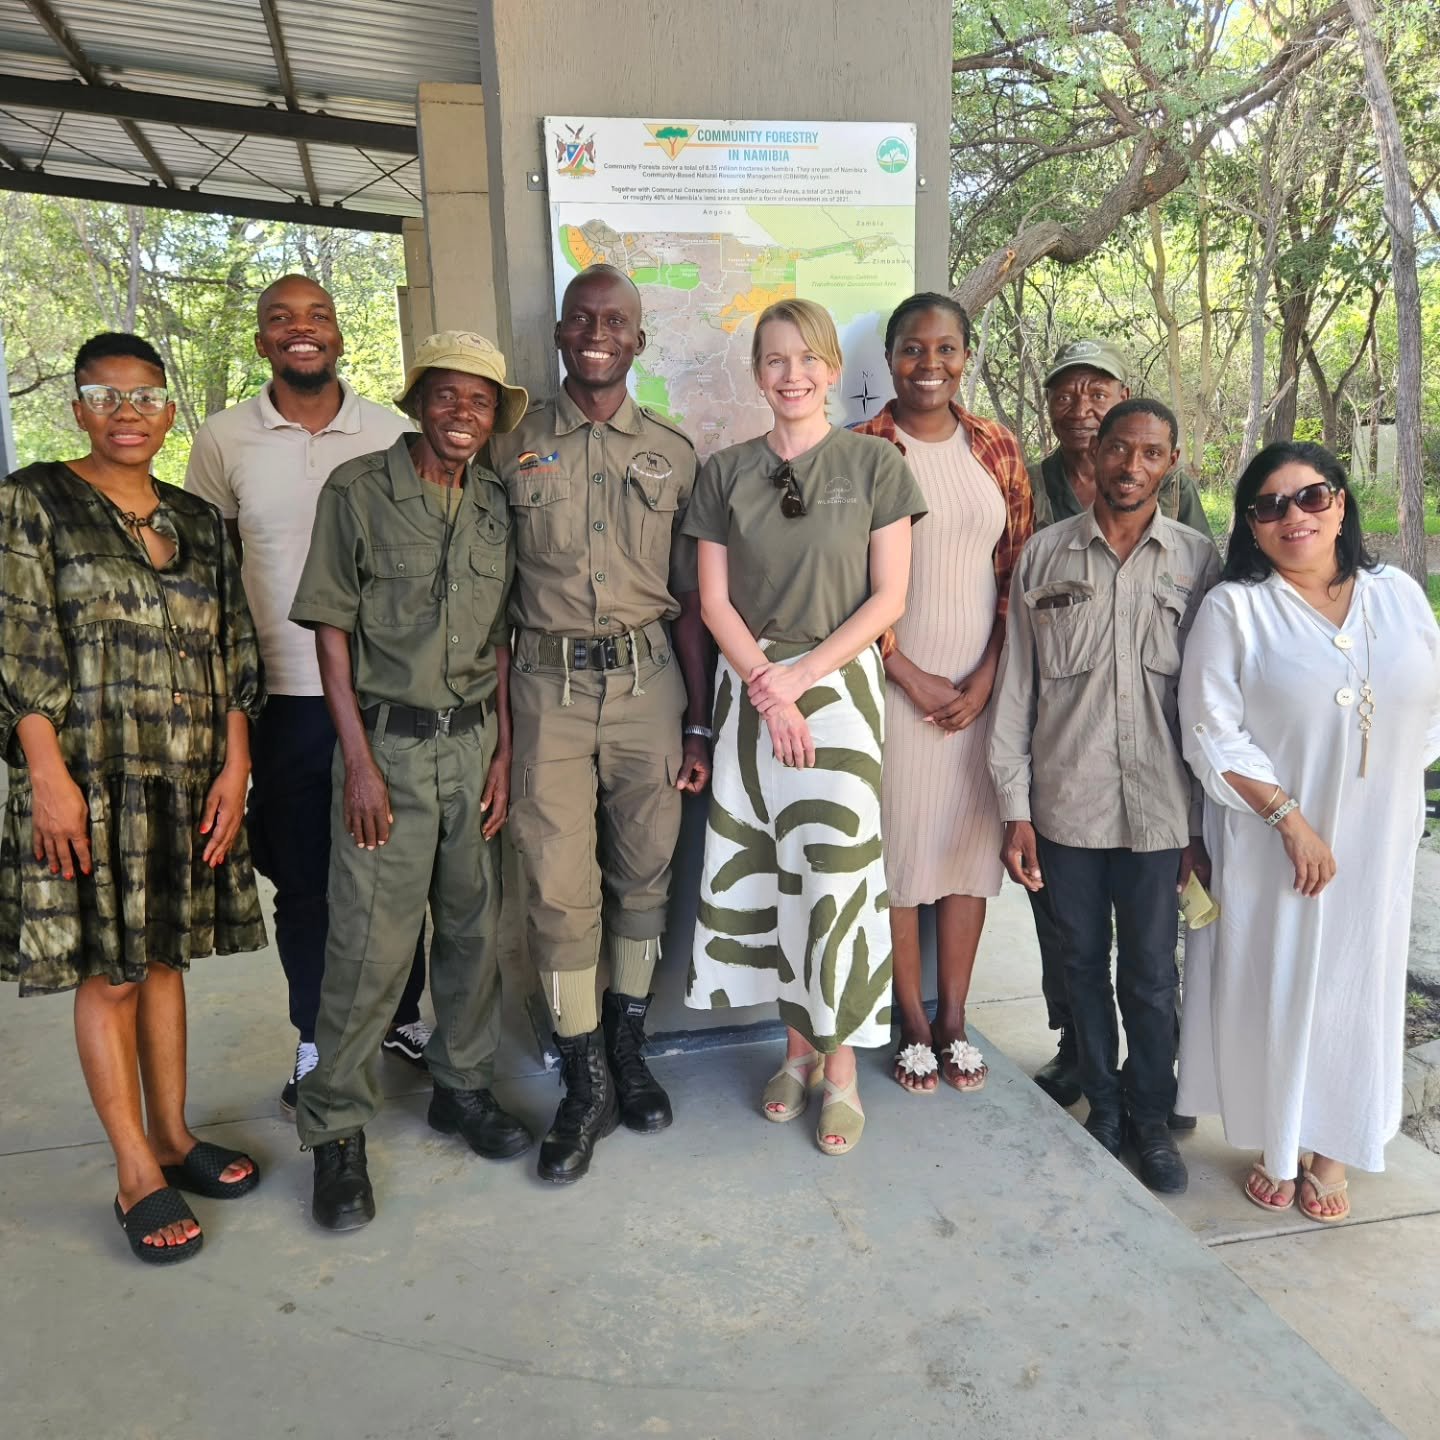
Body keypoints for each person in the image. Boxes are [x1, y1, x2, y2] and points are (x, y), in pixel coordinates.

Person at [0, 332, 265, 1264]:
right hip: (86, 778)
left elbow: (234, 651)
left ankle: (175, 1137)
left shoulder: (197, 519)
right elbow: (19, 642)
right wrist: (46, 775)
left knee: (163, 964)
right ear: (76, 407)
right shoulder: (33, 502)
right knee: (109, 970)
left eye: (146, 395)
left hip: (186, 777)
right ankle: (132, 1171)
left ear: (167, 411)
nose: (126, 411)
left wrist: (236, 767)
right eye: (104, 394)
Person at [287, 331, 531, 1230]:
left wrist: (504, 750)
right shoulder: (358, 492)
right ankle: (335, 1128)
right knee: (367, 951)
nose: (461, 415)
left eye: (479, 402)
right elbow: (331, 637)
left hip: (473, 749)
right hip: (386, 748)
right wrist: (357, 762)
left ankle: (462, 1089)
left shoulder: (496, 505)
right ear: (418, 400)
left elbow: (502, 638)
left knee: (474, 931)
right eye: (446, 397)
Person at [683, 298, 926, 1156]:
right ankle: (794, 1054)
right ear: (757, 373)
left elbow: (889, 597)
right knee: (773, 878)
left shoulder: (876, 465)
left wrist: (803, 677)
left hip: (840, 691)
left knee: (840, 881)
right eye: (775, 360)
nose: (792, 375)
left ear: (831, 368)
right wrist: (767, 685)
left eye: (807, 359)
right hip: (750, 693)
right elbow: (712, 600)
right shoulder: (724, 472)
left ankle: (845, 1070)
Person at [185, 274, 430, 1114]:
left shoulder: (394, 432)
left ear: (337, 336)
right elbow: (209, 575)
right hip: (284, 701)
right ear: (262, 343)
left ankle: (400, 1016)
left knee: (399, 872)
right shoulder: (223, 441)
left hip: (386, 694)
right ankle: (317, 1036)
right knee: (307, 882)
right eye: (282, 321)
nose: (302, 330)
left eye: (318, 316)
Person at [488, 265, 711, 1185]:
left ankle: (629, 1047)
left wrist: (698, 726)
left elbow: (694, 601)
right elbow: (495, 605)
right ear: (561, 334)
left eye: (614, 320)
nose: (596, 331)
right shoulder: (511, 447)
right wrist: (505, 737)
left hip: (651, 685)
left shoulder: (674, 452)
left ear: (638, 340)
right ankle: (584, 1077)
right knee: (555, 885)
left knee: (646, 872)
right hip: (546, 690)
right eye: (582, 318)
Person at [1177, 442, 1440, 1222]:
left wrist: (1385, 789)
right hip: (1270, 838)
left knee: (1357, 983)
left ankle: (1334, 1148)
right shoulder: (1236, 607)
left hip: (1377, 834)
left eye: (1311, 496)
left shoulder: (1398, 595)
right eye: (1270, 505)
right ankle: (1280, 1143)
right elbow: (1209, 728)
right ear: (1250, 528)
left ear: (1342, 503)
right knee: (1283, 982)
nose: (1295, 516)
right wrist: (1290, 819)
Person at [989, 397, 1220, 1194]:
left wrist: (1207, 822)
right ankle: (1106, 1103)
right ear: (1094, 457)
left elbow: (1218, 702)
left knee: (1153, 972)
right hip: (1066, 806)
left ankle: (1153, 1117)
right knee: (1082, 963)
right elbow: (1016, 690)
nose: (1130, 467)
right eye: (1118, 450)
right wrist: (1014, 809)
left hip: (1160, 810)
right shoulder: (1045, 557)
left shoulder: (1198, 564)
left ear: (1171, 463)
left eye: (1150, 453)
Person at [851, 293, 1035, 1094]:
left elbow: (1018, 574)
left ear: (968, 355)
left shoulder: (996, 445)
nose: (931, 365)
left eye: (947, 349)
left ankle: (956, 1015)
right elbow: (841, 583)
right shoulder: (861, 449)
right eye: (913, 350)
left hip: (983, 686)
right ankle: (912, 1020)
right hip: (894, 685)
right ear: (888, 358)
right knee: (899, 854)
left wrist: (992, 671)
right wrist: (905, 668)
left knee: (966, 855)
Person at [1024, 339, 1213, 1108]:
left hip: (1156, 785)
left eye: (1095, 389)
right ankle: (1084, 1059)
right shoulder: (1031, 496)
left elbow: (1208, 646)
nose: (1079, 402)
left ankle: (1151, 1090)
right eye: (1065, 391)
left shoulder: (1188, 536)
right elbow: (1020, 653)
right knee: (1071, 945)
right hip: (1068, 768)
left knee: (1148, 959)